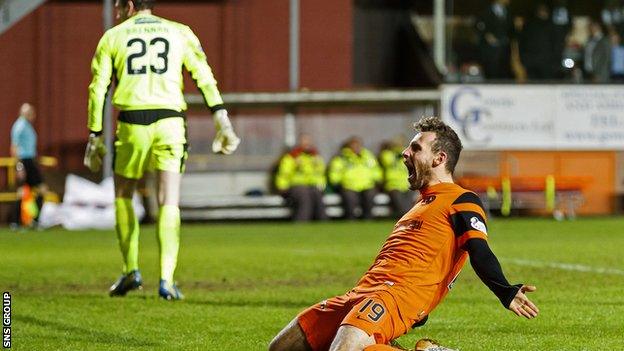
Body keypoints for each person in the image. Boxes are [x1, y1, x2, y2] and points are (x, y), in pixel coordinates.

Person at [269, 117, 539, 351]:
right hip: (363, 291)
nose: (405, 153)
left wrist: (505, 291)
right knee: (281, 346)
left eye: (415, 148)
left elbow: (479, 250)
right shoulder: (419, 206)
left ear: (439, 158)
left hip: (397, 296)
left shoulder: (462, 199)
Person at [85, 0, 240, 300]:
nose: (117, 9)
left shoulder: (113, 36)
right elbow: (203, 75)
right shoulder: (180, 32)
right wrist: (221, 116)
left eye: (118, 4)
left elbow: (98, 87)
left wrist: (95, 134)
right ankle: (167, 280)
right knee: (169, 199)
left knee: (123, 194)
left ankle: (131, 270)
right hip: (170, 122)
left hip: (131, 122)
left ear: (129, 5)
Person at [10, 103, 47, 228]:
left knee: (38, 191)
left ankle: (33, 220)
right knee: (23, 192)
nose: (32, 115)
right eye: (29, 113)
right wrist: (19, 166)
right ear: (23, 113)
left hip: (30, 161)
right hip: (24, 162)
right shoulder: (19, 126)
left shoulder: (28, 126)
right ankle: (16, 222)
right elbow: (14, 147)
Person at [275, 134, 328, 222]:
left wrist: (322, 186)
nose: (307, 144)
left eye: (308, 142)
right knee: (304, 197)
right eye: (304, 142)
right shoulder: (292, 157)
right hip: (296, 186)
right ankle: (301, 222)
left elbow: (321, 174)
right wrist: (282, 187)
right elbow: (284, 174)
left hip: (313, 186)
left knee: (318, 197)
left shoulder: (316, 157)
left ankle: (323, 222)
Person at [328, 137, 382, 220]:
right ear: (348, 146)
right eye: (354, 145)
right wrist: (337, 182)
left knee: (369, 197)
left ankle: (368, 219)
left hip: (367, 185)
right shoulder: (342, 158)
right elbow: (335, 172)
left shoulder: (368, 157)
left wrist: (377, 179)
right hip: (348, 186)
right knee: (350, 200)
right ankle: (351, 219)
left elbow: (376, 169)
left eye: (358, 145)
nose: (356, 147)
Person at [475, 0, 515, 80]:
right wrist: (486, 35)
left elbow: (511, 29)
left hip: (504, 51)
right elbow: (478, 26)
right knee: (491, 74)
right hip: (490, 53)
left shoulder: (509, 11)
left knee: (504, 74)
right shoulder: (484, 10)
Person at [519, 3, 557, 80]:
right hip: (539, 62)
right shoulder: (529, 26)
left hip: (542, 62)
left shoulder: (528, 26)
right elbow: (522, 43)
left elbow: (556, 44)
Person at [378, 138, 412, 219]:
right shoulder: (387, 154)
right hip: (393, 185)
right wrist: (397, 153)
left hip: (407, 185)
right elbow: (386, 160)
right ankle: (406, 219)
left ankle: (409, 218)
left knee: (410, 204)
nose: (399, 145)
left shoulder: (407, 155)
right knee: (400, 204)